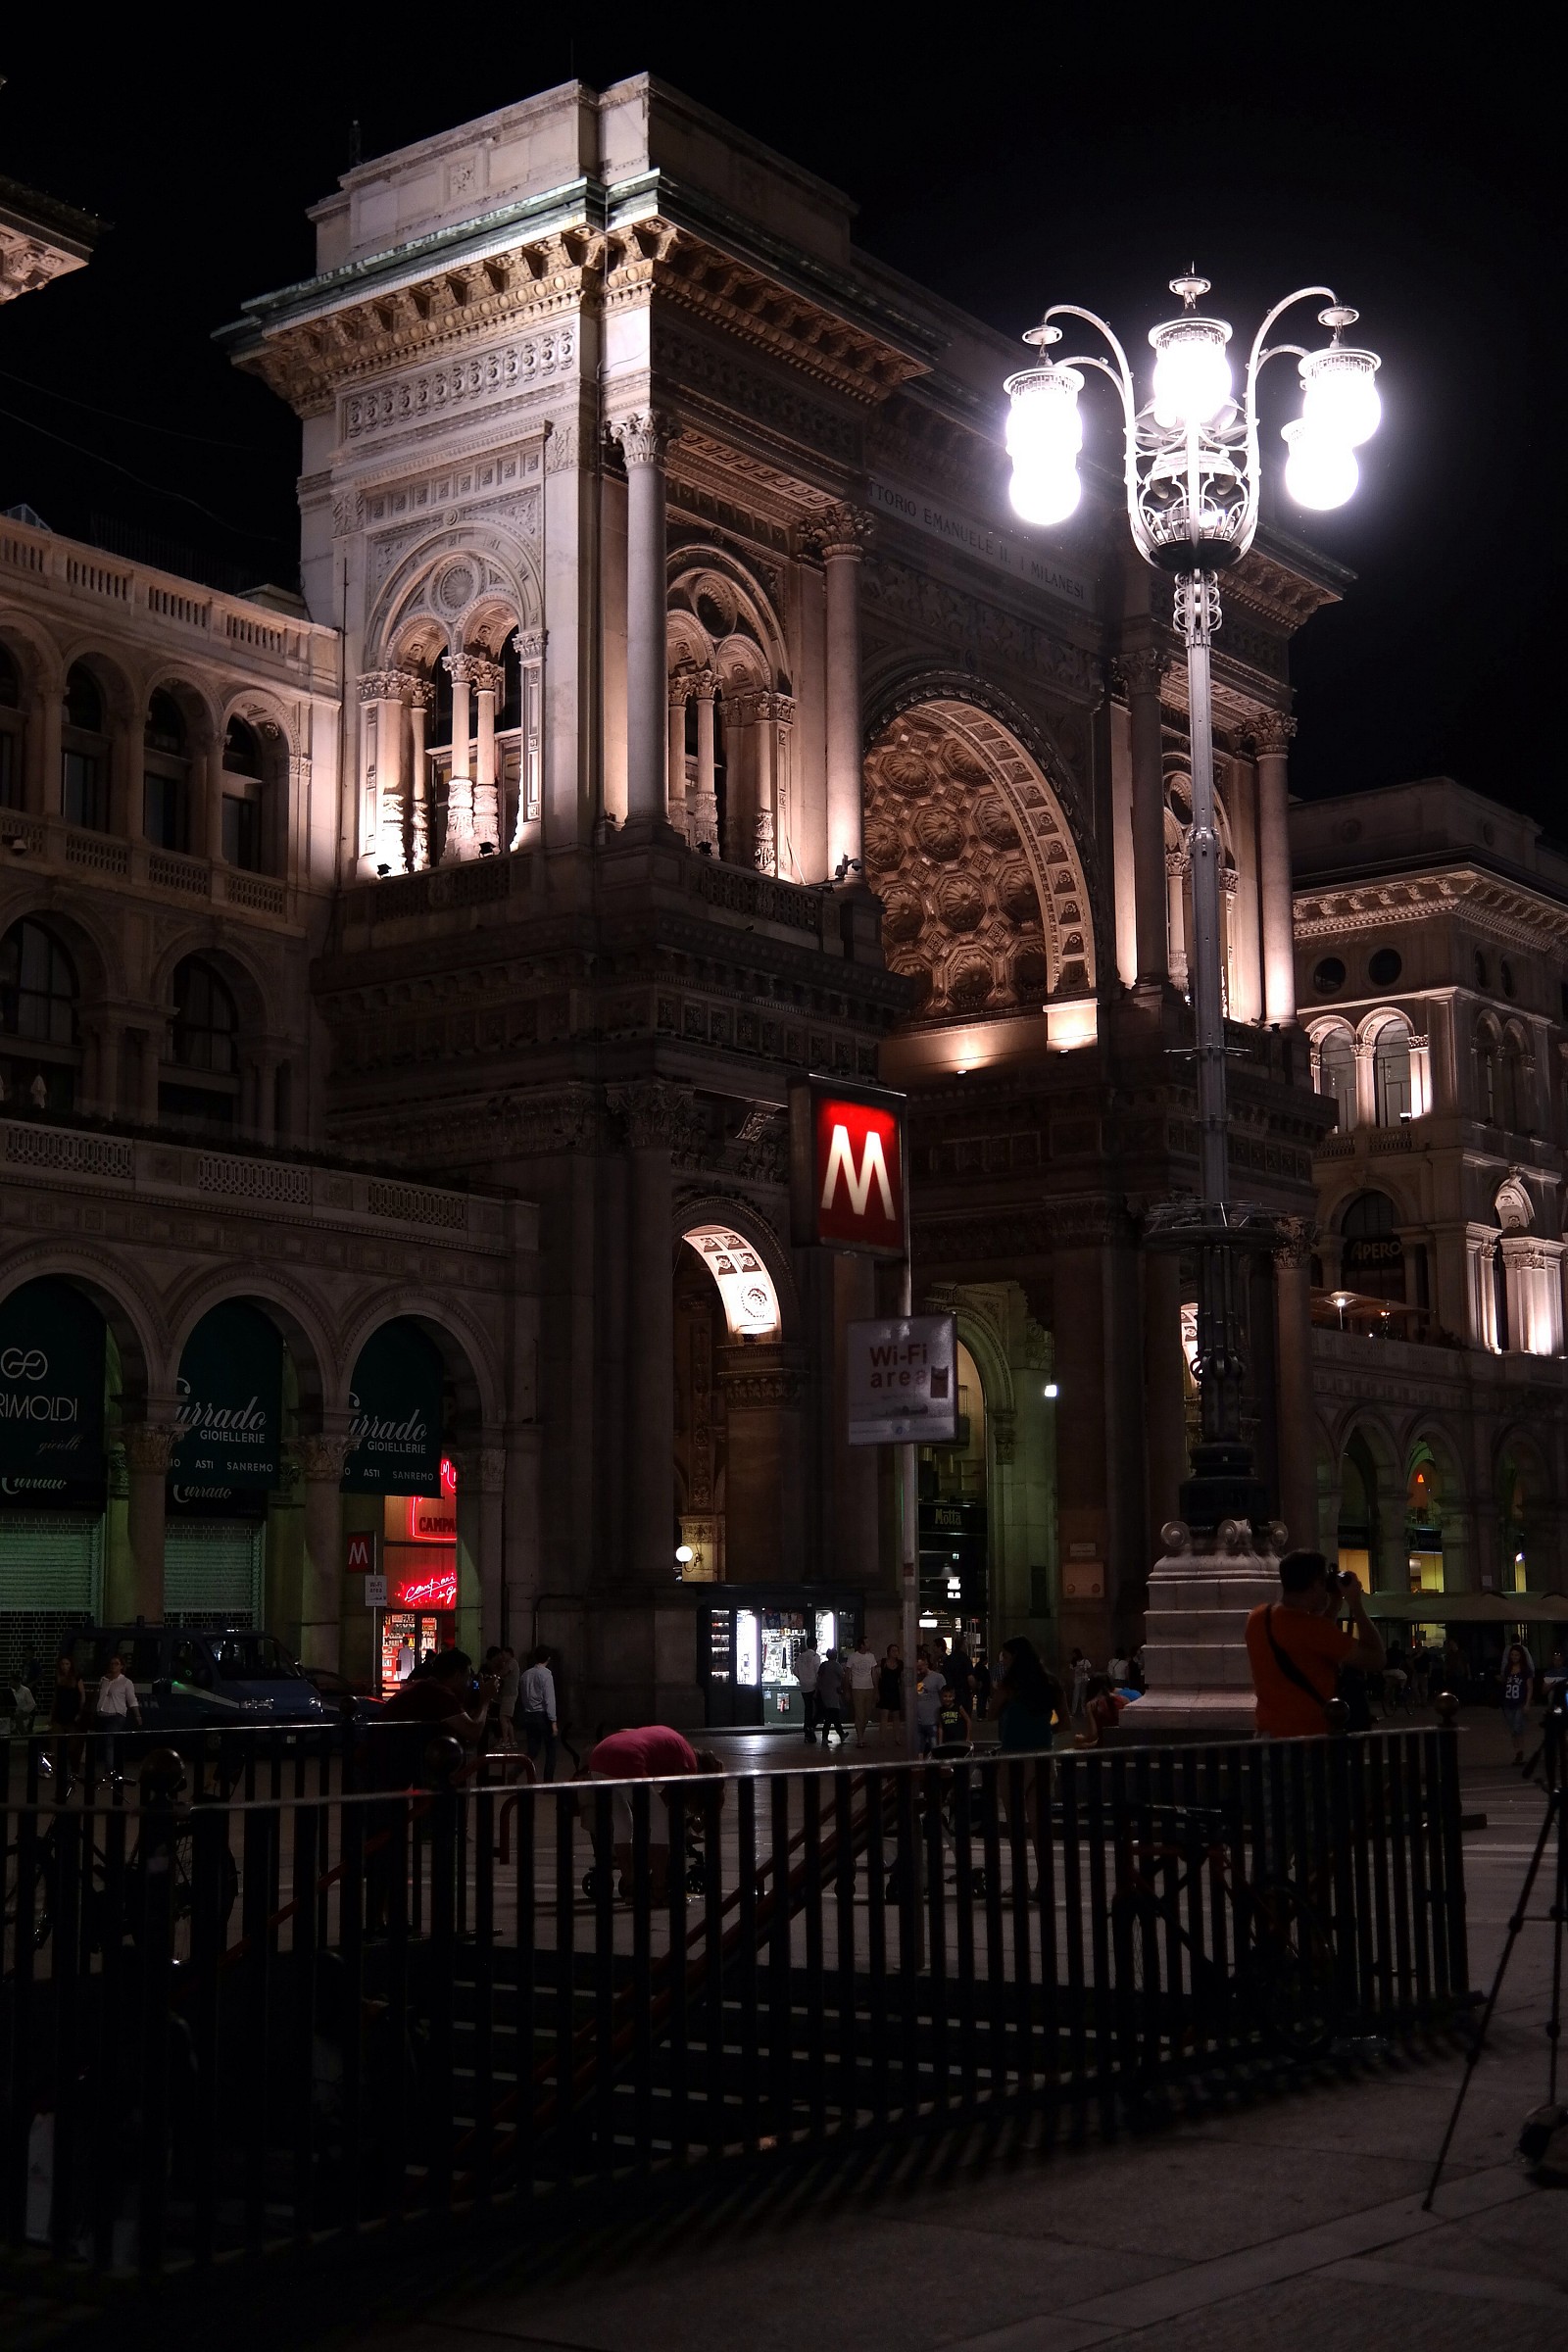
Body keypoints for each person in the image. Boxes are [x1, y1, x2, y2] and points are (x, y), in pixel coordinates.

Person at [1244, 1549, 1385, 1739]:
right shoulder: (1315, 1630)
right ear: (1316, 1585)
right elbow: (1376, 1658)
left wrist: (1334, 1604)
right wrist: (1356, 1604)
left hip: (1269, 1737)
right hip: (1308, 1739)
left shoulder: (1258, 1618)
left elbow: (1313, 1644)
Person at [584, 1726, 725, 1900]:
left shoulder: (676, 1744)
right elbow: (669, 1800)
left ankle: (631, 1885)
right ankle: (658, 1889)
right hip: (627, 1760)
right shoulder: (690, 1762)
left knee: (623, 1822)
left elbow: (661, 1799)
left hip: (598, 1758)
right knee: (661, 1821)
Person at [93, 1653, 142, 1779]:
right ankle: (100, 1769)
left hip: (116, 1715)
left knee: (110, 1742)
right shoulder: (104, 1680)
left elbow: (132, 1700)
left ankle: (109, 1771)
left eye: (116, 1664)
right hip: (102, 1714)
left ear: (121, 1666)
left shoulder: (126, 1682)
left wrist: (137, 1715)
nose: (113, 1666)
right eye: (112, 1664)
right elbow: (99, 1695)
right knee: (100, 1742)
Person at [517, 1645, 559, 1780]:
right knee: (551, 1750)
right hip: (542, 1716)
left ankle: (515, 1771)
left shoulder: (526, 1675)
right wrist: (553, 1721)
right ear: (548, 1658)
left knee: (532, 1751)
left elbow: (523, 1697)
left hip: (529, 1715)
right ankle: (547, 1782)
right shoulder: (546, 1675)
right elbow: (549, 1699)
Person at [1502, 1642, 1534, 1767]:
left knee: (1517, 1727)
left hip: (1519, 1702)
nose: (1514, 1657)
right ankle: (1517, 1752)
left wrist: (1527, 1703)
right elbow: (1505, 1683)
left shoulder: (1526, 1670)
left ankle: (1520, 1751)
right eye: (1512, 1655)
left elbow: (1529, 1687)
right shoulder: (1508, 1669)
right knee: (1513, 1730)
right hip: (1508, 1702)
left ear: (1521, 1656)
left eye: (1516, 1655)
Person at [912, 1648, 947, 1755]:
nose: (918, 1672)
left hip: (933, 1720)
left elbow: (944, 1696)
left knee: (934, 1749)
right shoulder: (915, 1679)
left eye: (920, 1668)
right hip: (919, 1721)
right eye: (917, 1669)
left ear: (926, 1664)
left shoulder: (937, 1678)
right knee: (919, 1751)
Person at [846, 1635, 879, 1741]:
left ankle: (861, 1734)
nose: (869, 1644)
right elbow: (847, 1673)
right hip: (857, 1688)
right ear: (862, 1645)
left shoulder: (871, 1657)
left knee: (867, 1714)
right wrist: (847, 1689)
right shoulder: (853, 1657)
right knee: (860, 1713)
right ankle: (860, 1738)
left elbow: (874, 1673)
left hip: (869, 1687)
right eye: (867, 1642)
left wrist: (876, 1689)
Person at [814, 1648, 847, 1746]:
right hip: (834, 1693)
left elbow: (818, 1679)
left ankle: (839, 1734)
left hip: (824, 1693)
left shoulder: (823, 1665)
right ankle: (833, 1735)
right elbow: (843, 1676)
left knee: (831, 1715)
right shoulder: (837, 1666)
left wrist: (817, 1691)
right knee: (832, 1715)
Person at [795, 1634, 821, 1744]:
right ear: (815, 1645)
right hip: (813, 1686)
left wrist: (802, 1678)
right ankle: (811, 1727)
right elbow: (818, 1672)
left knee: (808, 1709)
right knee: (819, 1710)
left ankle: (807, 1731)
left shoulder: (801, 1656)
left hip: (804, 1686)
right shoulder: (815, 1657)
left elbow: (795, 1671)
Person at [934, 1675, 971, 1752]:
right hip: (947, 1740)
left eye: (950, 1696)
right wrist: (940, 1743)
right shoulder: (941, 1710)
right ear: (941, 1697)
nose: (947, 1699)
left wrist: (968, 1737)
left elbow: (968, 1720)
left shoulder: (958, 1707)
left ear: (953, 1697)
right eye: (945, 1696)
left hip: (959, 1739)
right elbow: (940, 1727)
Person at [496, 1644, 520, 1749]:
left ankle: (505, 1741)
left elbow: (504, 1672)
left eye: (503, 1654)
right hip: (509, 1694)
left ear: (509, 1654)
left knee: (503, 1717)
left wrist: (495, 1676)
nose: (502, 1657)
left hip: (509, 1694)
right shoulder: (510, 1663)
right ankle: (512, 1741)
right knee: (507, 1718)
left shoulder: (512, 1662)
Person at [877, 1644, 903, 1735]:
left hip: (895, 1690)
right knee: (884, 1715)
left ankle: (897, 1737)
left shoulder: (900, 1663)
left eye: (896, 1651)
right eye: (893, 1651)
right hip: (884, 1690)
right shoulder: (883, 1662)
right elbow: (873, 1665)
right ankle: (882, 1738)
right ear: (888, 1652)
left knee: (896, 1715)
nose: (895, 1653)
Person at [1068, 1647, 1092, 1725]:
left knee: (1083, 1696)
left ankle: (1084, 1712)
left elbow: (1090, 1669)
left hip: (1084, 1679)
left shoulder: (1085, 1661)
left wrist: (1084, 1670)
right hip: (1077, 1680)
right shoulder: (1073, 1662)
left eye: (1074, 1654)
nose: (1074, 1655)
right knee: (1075, 1695)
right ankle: (1073, 1711)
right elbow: (1071, 1671)